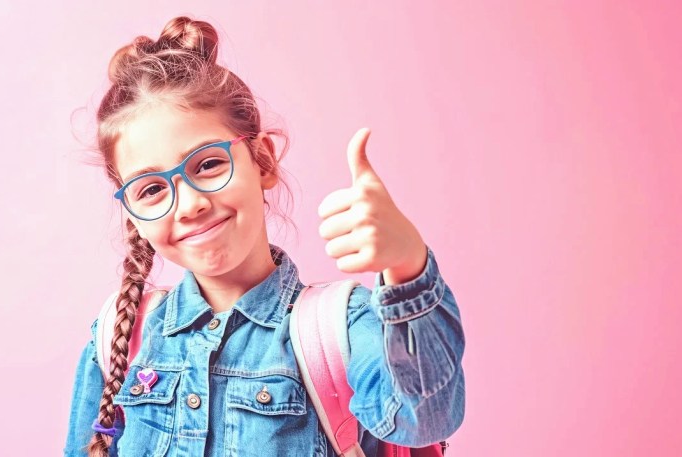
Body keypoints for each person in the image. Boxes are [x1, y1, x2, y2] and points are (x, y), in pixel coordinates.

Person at [64, 16, 465, 457]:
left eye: (208, 164)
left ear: (263, 161)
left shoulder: (340, 329)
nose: (189, 203)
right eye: (152, 189)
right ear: (133, 214)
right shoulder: (121, 337)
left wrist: (408, 265)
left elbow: (424, 417)